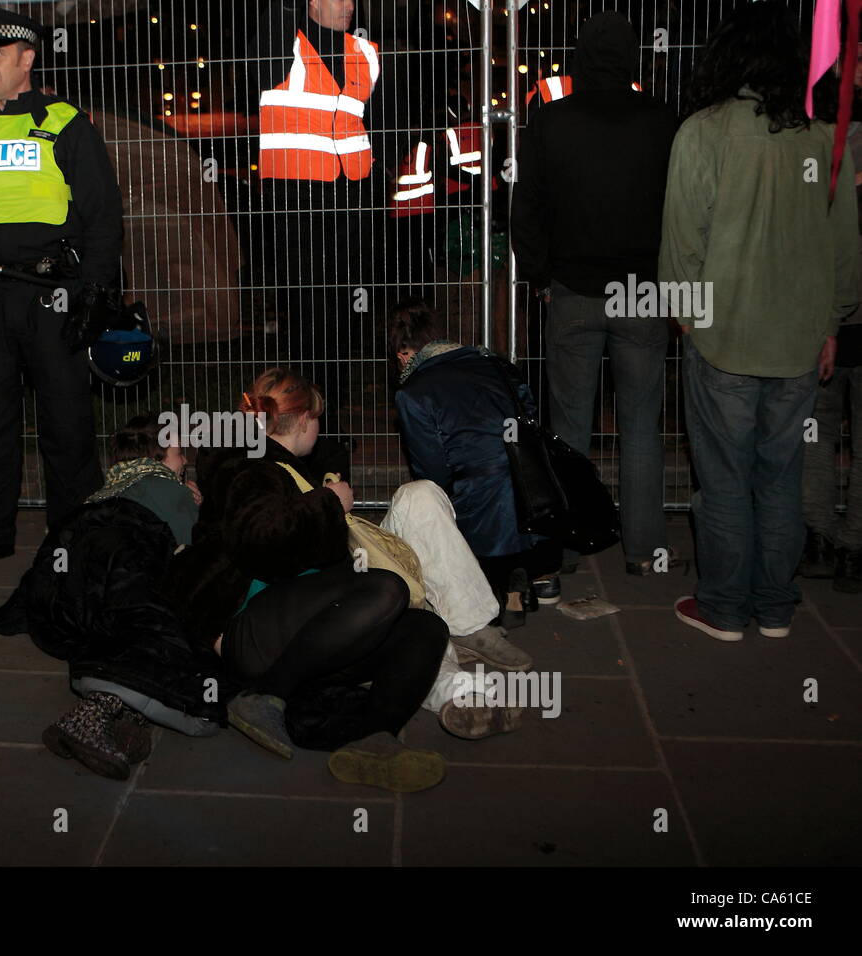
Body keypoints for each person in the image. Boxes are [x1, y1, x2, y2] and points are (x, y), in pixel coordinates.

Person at [660, 2, 858, 641]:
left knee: (723, 481)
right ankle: (775, 606)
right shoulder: (825, 137)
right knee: (781, 478)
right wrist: (831, 323)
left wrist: (687, 319)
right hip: (799, 343)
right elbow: (844, 245)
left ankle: (724, 608)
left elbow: (681, 243)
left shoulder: (703, 132)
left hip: (724, 340)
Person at [171, 368, 461, 793]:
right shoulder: (250, 465)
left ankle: (371, 739)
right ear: (304, 419)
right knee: (386, 589)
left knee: (426, 628)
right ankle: (265, 696)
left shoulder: (273, 465)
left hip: (298, 630)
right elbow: (260, 539)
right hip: (249, 628)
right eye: (318, 420)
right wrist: (329, 504)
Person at [0, 6, 123, 572]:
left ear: (27, 58)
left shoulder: (66, 122)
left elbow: (102, 215)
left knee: (67, 423)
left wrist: (94, 291)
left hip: (51, 293)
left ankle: (73, 536)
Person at [511, 11, 677, 584]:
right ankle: (644, 549)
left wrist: (539, 278)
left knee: (569, 426)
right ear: (633, 58)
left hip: (573, 291)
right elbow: (678, 214)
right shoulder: (660, 121)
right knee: (640, 424)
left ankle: (565, 548)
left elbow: (526, 208)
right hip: (643, 292)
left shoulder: (552, 121)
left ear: (580, 59)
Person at [0, 415, 211, 781]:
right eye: (180, 452)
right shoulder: (166, 487)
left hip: (57, 603)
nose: (185, 460)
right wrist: (194, 507)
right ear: (160, 456)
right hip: (111, 588)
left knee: (132, 631)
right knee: (181, 640)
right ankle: (90, 717)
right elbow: (190, 557)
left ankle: (121, 720)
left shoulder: (105, 490)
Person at [246, 0, 385, 423]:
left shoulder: (365, 52)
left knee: (342, 317)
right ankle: (303, 419)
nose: (348, 6)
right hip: (296, 202)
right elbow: (259, 72)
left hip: (350, 203)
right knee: (306, 316)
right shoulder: (281, 44)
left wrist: (372, 185)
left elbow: (380, 122)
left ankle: (333, 416)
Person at [389, 298, 561, 623]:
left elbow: (432, 471)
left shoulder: (413, 392)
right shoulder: (495, 363)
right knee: (505, 491)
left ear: (403, 353)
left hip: (482, 497)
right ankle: (524, 580)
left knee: (442, 504)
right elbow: (531, 417)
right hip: (534, 484)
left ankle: (494, 594)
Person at [800, 42, 862, 595]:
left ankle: (828, 539)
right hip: (831, 310)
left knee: (818, 430)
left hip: (825, 310)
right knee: (820, 431)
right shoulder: (822, 141)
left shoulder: (819, 141)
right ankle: (841, 542)